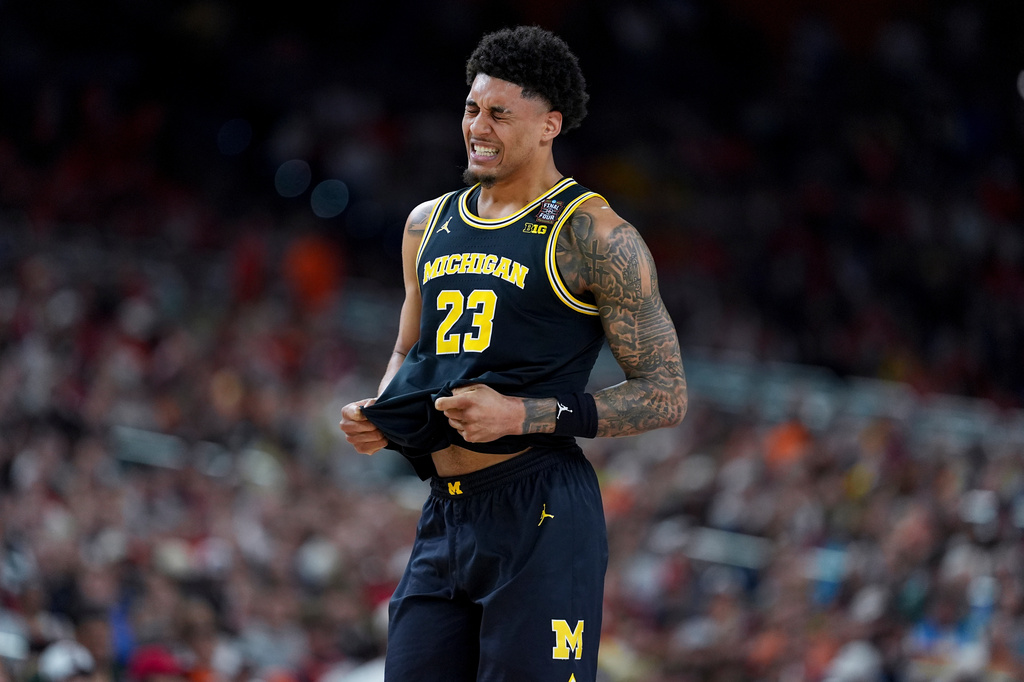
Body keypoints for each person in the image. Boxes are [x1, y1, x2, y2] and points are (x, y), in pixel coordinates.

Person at [339, 25, 686, 682]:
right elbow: (409, 349)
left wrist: (523, 415)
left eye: (500, 113)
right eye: (472, 108)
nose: (478, 126)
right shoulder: (426, 223)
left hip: (541, 507)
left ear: (550, 125)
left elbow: (666, 394)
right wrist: (382, 411)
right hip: (446, 509)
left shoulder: (595, 235)